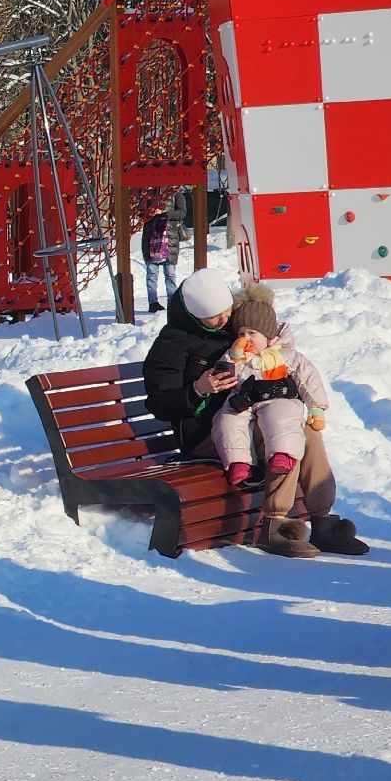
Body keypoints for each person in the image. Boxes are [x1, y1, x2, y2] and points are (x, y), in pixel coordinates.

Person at [142, 269, 369, 558]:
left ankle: (322, 520)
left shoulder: (234, 329)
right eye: (214, 316)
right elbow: (160, 403)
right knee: (282, 434)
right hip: (207, 431)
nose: (225, 321)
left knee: (306, 431)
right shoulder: (172, 343)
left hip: (253, 414)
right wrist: (199, 388)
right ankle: (274, 526)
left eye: (227, 312)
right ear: (194, 314)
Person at [210, 282, 330, 503]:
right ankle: (239, 463)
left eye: (252, 333)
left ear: (267, 335)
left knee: (281, 418)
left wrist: (317, 407)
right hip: (244, 401)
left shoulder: (285, 355)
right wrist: (232, 359)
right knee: (226, 420)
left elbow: (308, 379)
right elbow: (223, 375)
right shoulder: (237, 355)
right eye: (241, 333)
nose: (245, 338)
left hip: (277, 398)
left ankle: (282, 455)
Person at [140, 196, 184, 314]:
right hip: (151, 239)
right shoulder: (148, 193)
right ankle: (153, 302)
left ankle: (172, 302)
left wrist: (166, 214)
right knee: (152, 274)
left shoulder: (176, 193)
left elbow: (182, 213)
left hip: (169, 239)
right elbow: (140, 213)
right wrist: (151, 212)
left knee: (170, 274)